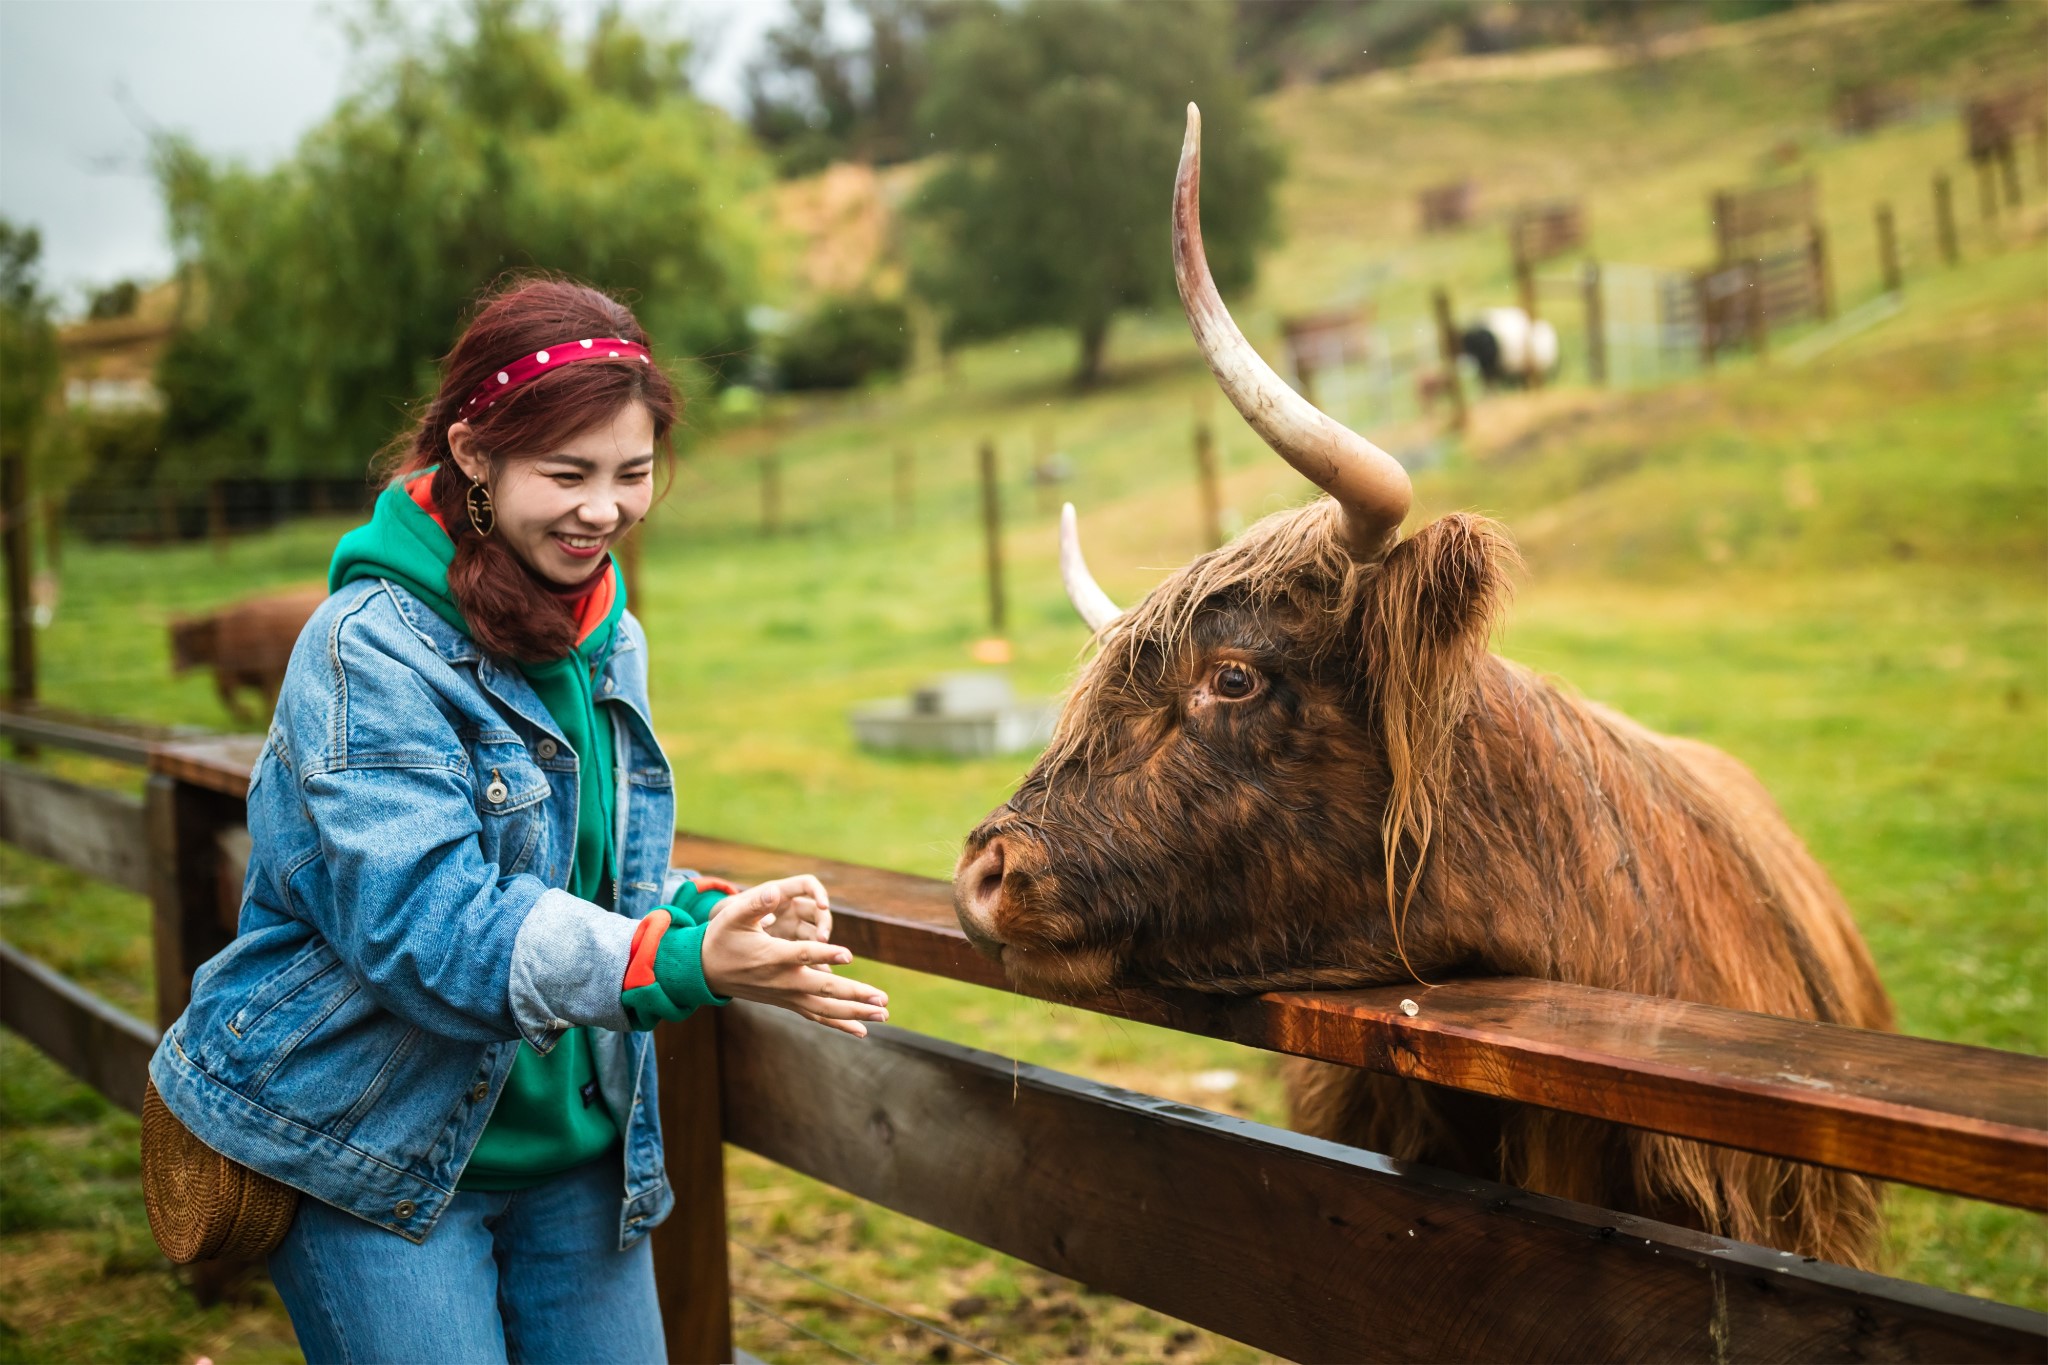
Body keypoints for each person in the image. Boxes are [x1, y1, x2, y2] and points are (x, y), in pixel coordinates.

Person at [146, 277, 890, 1363]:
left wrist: (699, 918)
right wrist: (668, 963)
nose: (605, 509)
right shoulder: (369, 649)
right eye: (567, 473)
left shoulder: (601, 628)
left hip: (578, 1157)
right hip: (375, 1156)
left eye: (633, 474)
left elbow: (575, 870)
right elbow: (424, 924)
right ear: (474, 457)